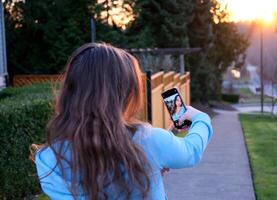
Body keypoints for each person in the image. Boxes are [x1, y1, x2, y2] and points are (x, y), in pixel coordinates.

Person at [34, 43, 213, 200]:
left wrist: (146, 172)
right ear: (127, 93)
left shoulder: (48, 159)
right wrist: (200, 118)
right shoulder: (150, 140)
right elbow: (191, 151)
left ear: (70, 91)